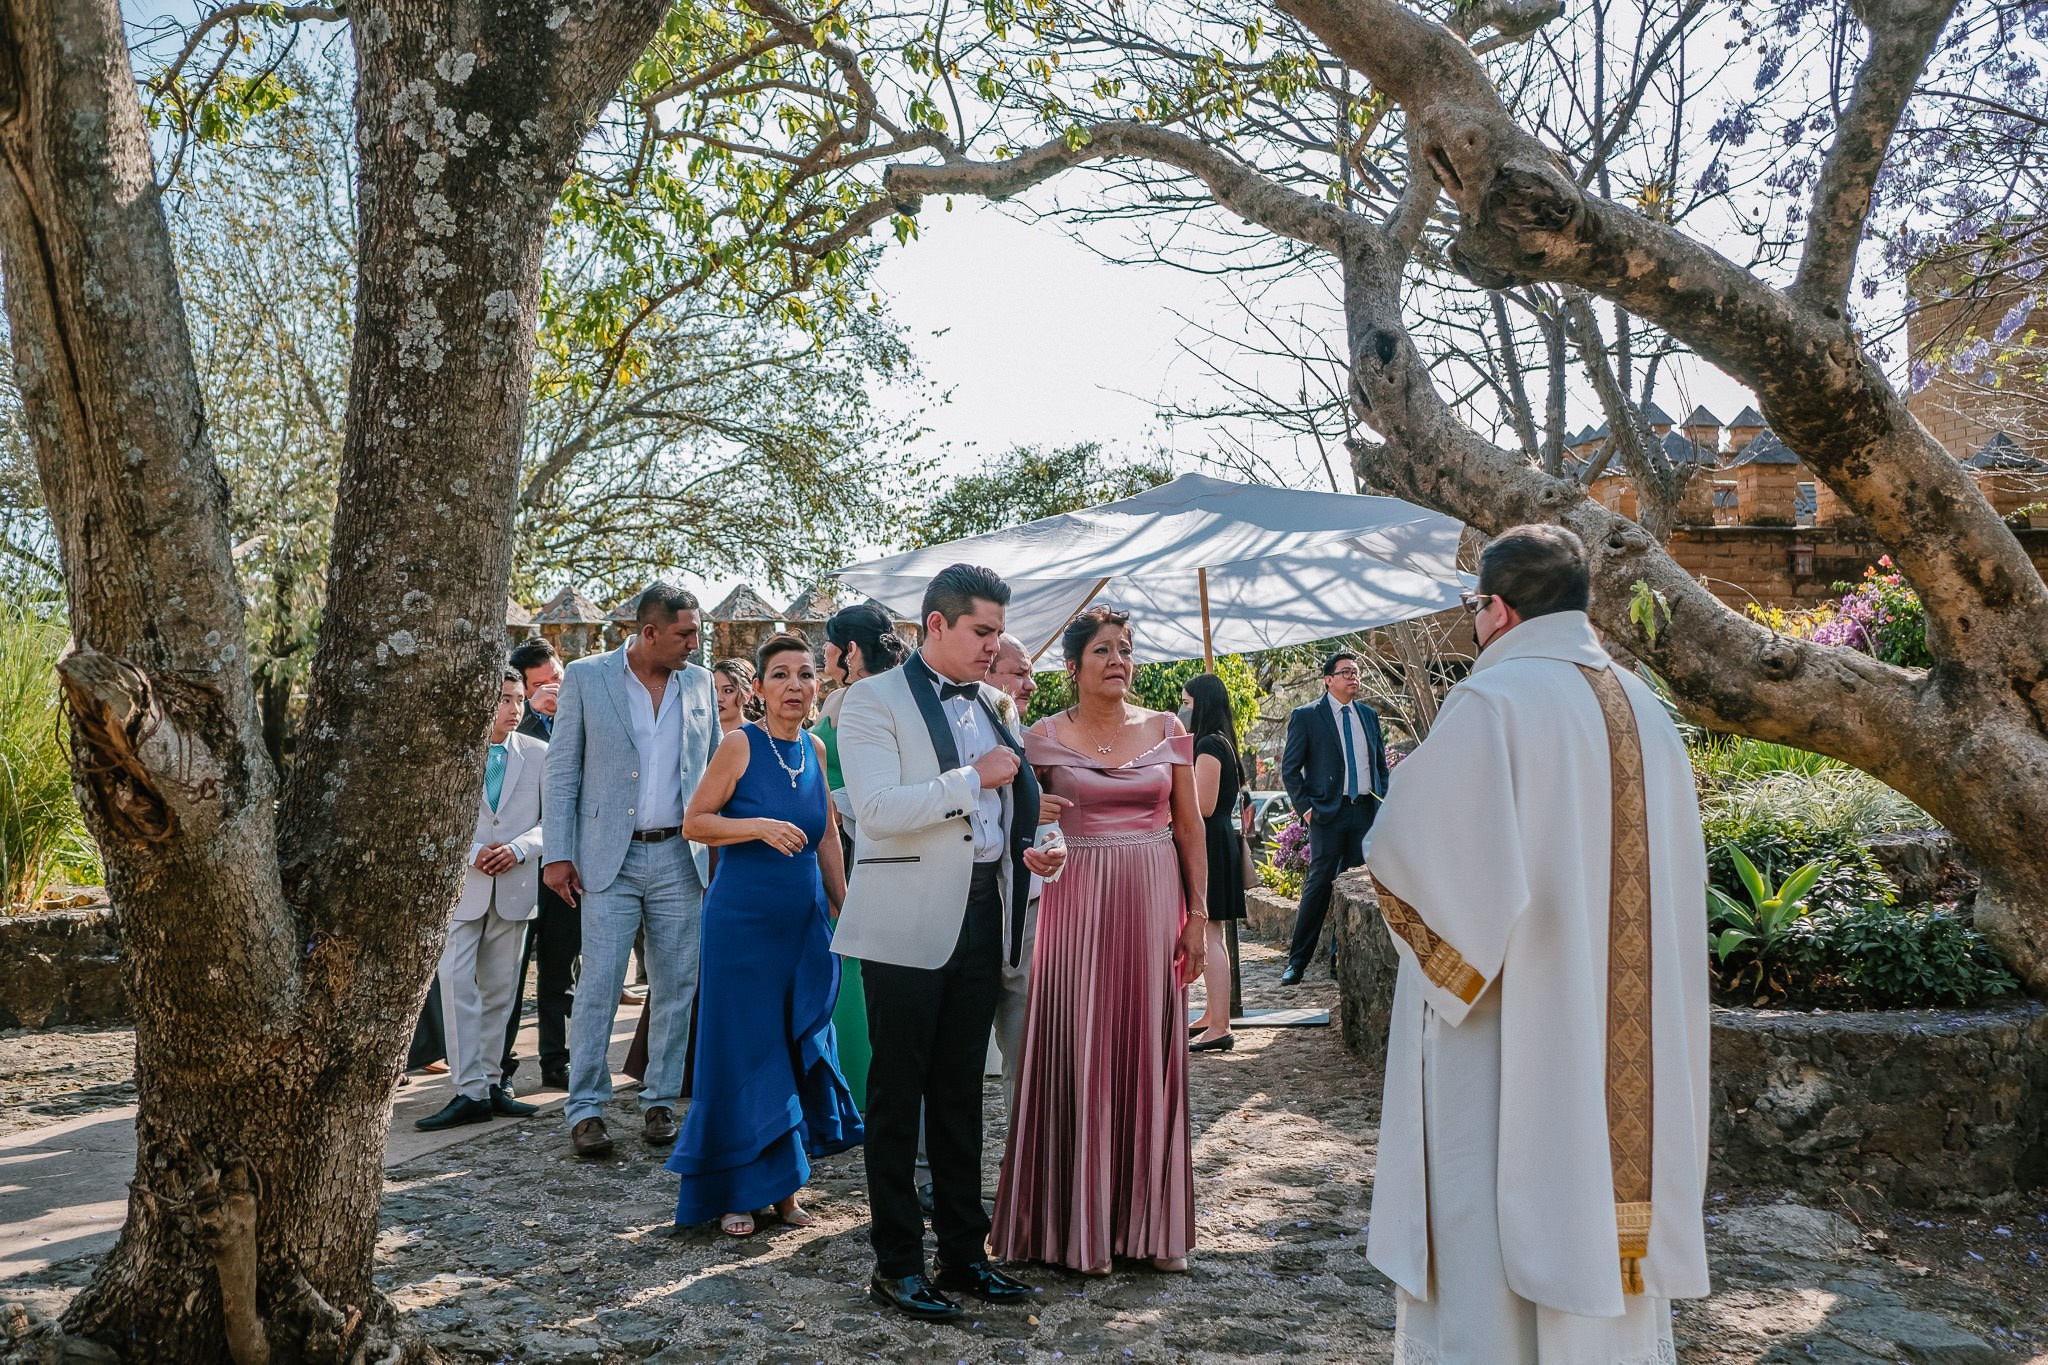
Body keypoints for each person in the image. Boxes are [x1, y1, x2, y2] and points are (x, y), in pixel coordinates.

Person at [1366, 525, 1709, 1362]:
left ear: (1499, 609)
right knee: (1599, 1214)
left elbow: (1410, 854)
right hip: (1626, 1042)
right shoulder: (1646, 708)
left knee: (1492, 1213)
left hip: (1510, 1028)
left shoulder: (1494, 700)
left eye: (1473, 605)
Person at [834, 564, 1065, 1323]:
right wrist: (973, 777)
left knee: (962, 1094)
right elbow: (874, 810)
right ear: (936, 625)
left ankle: (967, 1255)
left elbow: (1005, 812)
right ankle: (896, 1264)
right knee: (898, 1098)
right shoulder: (870, 700)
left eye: (999, 631)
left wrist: (1034, 847)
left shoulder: (996, 701)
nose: (995, 645)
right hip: (903, 919)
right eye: (982, 631)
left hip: (984, 912)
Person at [994, 606, 1206, 1276]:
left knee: (1146, 1043)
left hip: (1151, 896)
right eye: (1103, 651)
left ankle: (1152, 1225)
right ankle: (1073, 1224)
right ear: (1074, 665)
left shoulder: (1168, 729)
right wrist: (1036, 831)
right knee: (1077, 1047)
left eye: (1126, 649)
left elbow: (1190, 826)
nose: (1118, 660)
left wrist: (1197, 914)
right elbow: (1017, 831)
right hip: (1075, 903)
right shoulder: (1041, 737)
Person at [668, 633, 864, 1234]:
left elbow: (828, 835)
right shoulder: (738, 745)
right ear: (758, 688)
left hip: (802, 923)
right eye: (780, 675)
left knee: (792, 1043)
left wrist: (846, 908)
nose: (796, 686)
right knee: (745, 1050)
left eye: (806, 674)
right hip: (741, 925)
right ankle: (734, 1189)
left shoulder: (816, 752)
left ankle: (783, 1189)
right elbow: (694, 823)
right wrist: (756, 826)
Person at [543, 582, 719, 1158]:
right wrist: (558, 854)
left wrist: (721, 842)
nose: (696, 643)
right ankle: (587, 1108)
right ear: (648, 632)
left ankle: (660, 1099)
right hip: (605, 856)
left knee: (676, 984)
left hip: (680, 854)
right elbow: (563, 770)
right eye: (685, 634)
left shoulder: (697, 683)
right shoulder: (587, 677)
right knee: (599, 985)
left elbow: (713, 765)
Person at [417, 670, 546, 1130]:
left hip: (514, 884)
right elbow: (434, 819)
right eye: (505, 700)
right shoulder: (452, 755)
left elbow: (553, 819)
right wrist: (472, 853)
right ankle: (466, 1088)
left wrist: (518, 848)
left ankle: (490, 1086)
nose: (515, 709)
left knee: (500, 990)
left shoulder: (538, 754)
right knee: (455, 983)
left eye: (520, 700)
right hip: (463, 884)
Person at [817, 602, 912, 1111]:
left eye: (830, 645)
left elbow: (859, 785)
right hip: (868, 836)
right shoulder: (904, 694)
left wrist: (832, 804)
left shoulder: (850, 700)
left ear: (850, 650)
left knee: (856, 954)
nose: (825, 654)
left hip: (850, 840)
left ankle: (856, 1075)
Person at [1278, 650, 1389, 985]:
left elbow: (1380, 764)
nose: (1353, 676)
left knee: (1356, 886)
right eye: (1345, 672)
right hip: (1327, 814)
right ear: (1328, 680)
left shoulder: (1368, 715)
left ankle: (1339, 957)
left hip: (1364, 812)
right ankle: (1297, 961)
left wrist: (1384, 804)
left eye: (1356, 671)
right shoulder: (1308, 715)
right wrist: (1307, 810)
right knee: (1319, 885)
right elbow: (1290, 769)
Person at [499, 635, 575, 1092]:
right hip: (516, 865)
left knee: (561, 968)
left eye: (558, 678)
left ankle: (556, 1060)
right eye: (541, 684)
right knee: (506, 975)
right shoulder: (514, 721)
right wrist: (532, 713)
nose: (553, 688)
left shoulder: (576, 714)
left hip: (565, 862)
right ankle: (499, 1068)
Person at [983, 631, 1045, 1114]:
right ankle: (928, 1176)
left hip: (1024, 911)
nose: (1030, 685)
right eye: (1020, 672)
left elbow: (1041, 829)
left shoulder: (1026, 735)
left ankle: (1024, 1170)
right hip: (966, 910)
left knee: (1026, 1053)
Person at [1181, 672, 1246, 1051]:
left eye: (1187, 703)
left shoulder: (1208, 745)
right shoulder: (1221, 741)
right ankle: (1212, 1014)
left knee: (1211, 934)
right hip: (1218, 839)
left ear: (1202, 704)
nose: (1183, 710)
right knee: (1212, 933)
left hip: (1211, 843)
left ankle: (1220, 1025)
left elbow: (1202, 805)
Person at [712, 657, 760, 732]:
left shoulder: (760, 736)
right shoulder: (696, 734)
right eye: (713, 690)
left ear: (747, 695)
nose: (718, 698)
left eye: (728, 691)